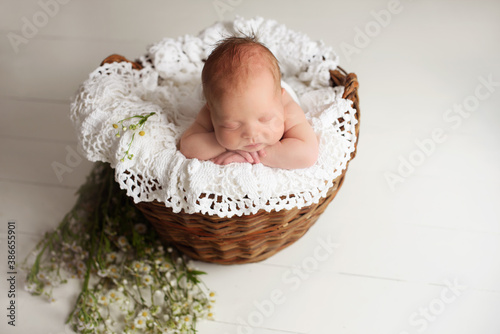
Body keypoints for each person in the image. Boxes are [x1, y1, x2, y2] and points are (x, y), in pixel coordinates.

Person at [179, 34, 318, 169]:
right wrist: (225, 145)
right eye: (232, 126)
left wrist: (256, 156)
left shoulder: (287, 107)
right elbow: (187, 146)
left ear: (280, 101)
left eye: (265, 119)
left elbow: (307, 153)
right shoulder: (218, 108)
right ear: (211, 110)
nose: (251, 134)